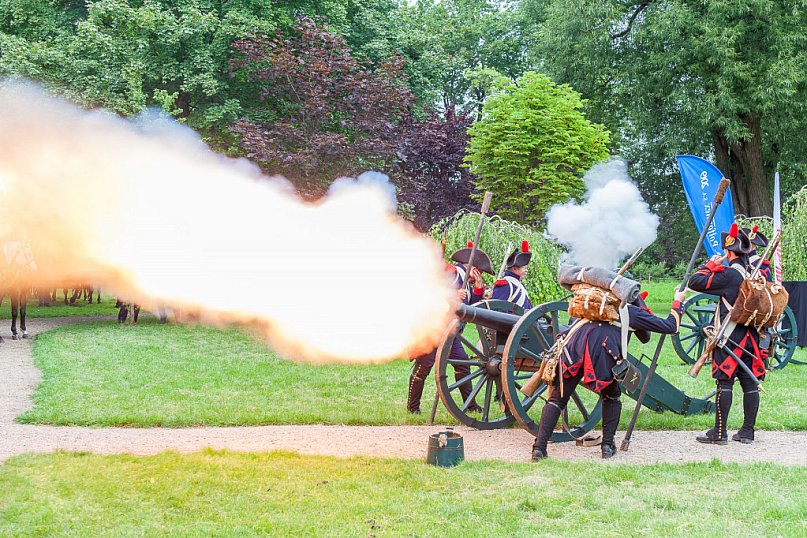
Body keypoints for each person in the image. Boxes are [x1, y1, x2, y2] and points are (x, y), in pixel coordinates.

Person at [531, 287, 686, 460]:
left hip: (573, 347)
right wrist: (678, 301)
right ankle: (607, 445)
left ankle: (539, 448)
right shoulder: (630, 311)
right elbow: (670, 326)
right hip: (602, 352)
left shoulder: (589, 304)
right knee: (611, 396)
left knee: (556, 400)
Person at [689, 224, 766, 445]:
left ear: (729, 252)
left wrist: (710, 264)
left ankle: (720, 433)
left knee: (724, 383)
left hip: (730, 337)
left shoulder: (730, 274)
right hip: (751, 337)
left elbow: (695, 282)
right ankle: (747, 432)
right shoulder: (755, 273)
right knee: (750, 385)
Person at [406, 242, 494, 415]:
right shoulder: (451, 273)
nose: (479, 275)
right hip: (434, 329)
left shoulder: (466, 282)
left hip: (452, 333)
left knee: (462, 364)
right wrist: (453, 296)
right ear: (472, 267)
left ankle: (470, 405)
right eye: (479, 271)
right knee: (423, 367)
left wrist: (477, 288)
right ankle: (412, 408)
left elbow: (469, 310)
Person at [492, 241, 532, 309]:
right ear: (515, 268)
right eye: (524, 268)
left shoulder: (520, 286)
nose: (526, 270)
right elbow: (498, 312)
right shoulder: (505, 285)